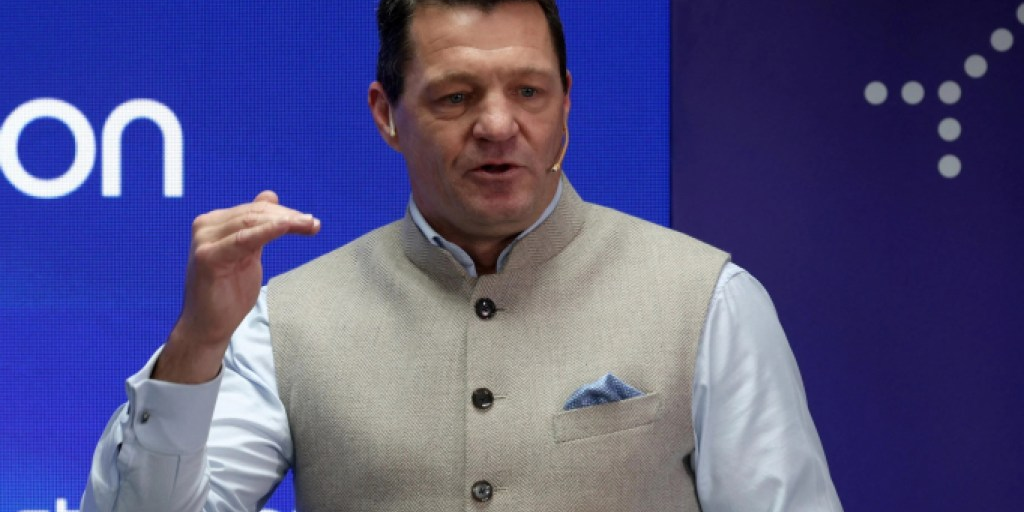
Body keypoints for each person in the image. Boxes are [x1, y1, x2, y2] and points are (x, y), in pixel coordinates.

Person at [82, 0, 844, 510]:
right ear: (386, 114)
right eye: (456, 97)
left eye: (529, 92)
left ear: (567, 101)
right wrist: (197, 347)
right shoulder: (288, 322)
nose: (498, 125)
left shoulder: (709, 299)